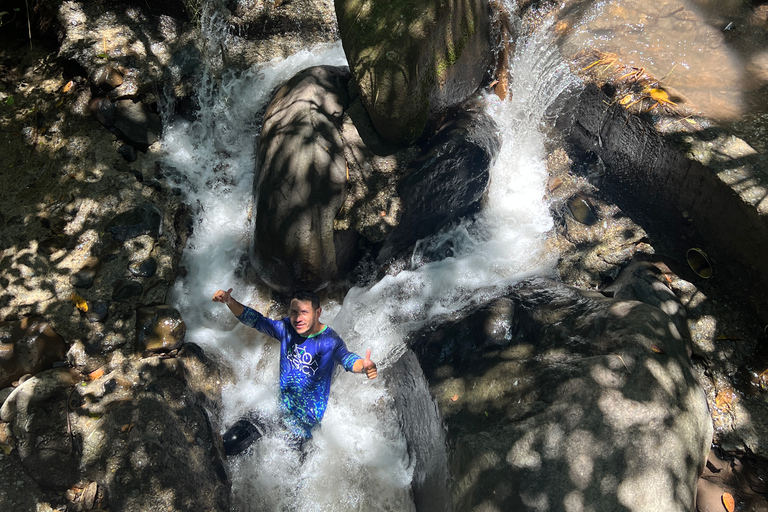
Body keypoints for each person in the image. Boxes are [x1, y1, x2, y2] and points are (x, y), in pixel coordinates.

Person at [212, 287, 377, 455]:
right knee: (228, 443)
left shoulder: (330, 342)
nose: (298, 318)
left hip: (302, 430)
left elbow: (347, 359)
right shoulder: (286, 329)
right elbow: (257, 321)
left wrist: (363, 366)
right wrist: (229, 301)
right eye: (294, 312)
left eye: (304, 312)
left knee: (282, 478)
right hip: (275, 411)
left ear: (318, 312)